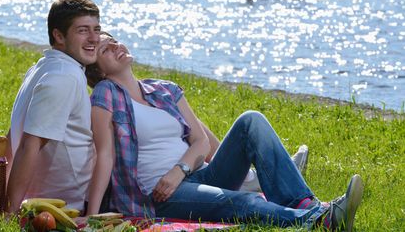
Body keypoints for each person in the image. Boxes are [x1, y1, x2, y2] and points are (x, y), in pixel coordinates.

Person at [85, 33, 364, 231]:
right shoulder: (106, 93)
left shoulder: (164, 89)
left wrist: (179, 170)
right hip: (159, 196)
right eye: (105, 50)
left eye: (115, 40)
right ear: (99, 72)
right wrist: (92, 216)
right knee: (242, 201)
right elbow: (104, 155)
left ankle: (305, 203)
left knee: (250, 120)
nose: (115, 46)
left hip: (192, 175)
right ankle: (318, 220)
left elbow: (200, 141)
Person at [5, 0, 101, 213]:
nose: (94, 38)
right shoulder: (64, 76)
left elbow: (13, 137)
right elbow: (29, 144)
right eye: (83, 30)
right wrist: (10, 212)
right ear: (58, 35)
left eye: (96, 29)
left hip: (56, 197)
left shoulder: (45, 66)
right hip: (68, 204)